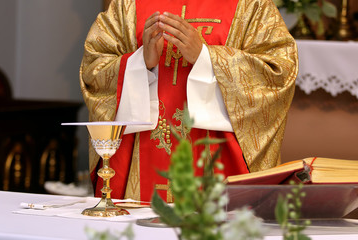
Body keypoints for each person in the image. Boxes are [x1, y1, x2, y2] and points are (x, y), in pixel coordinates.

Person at [80, 0, 298, 203]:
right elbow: (95, 69)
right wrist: (141, 63)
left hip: (221, 162)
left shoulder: (251, 5)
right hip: (143, 164)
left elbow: (277, 73)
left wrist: (206, 57)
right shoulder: (128, 4)